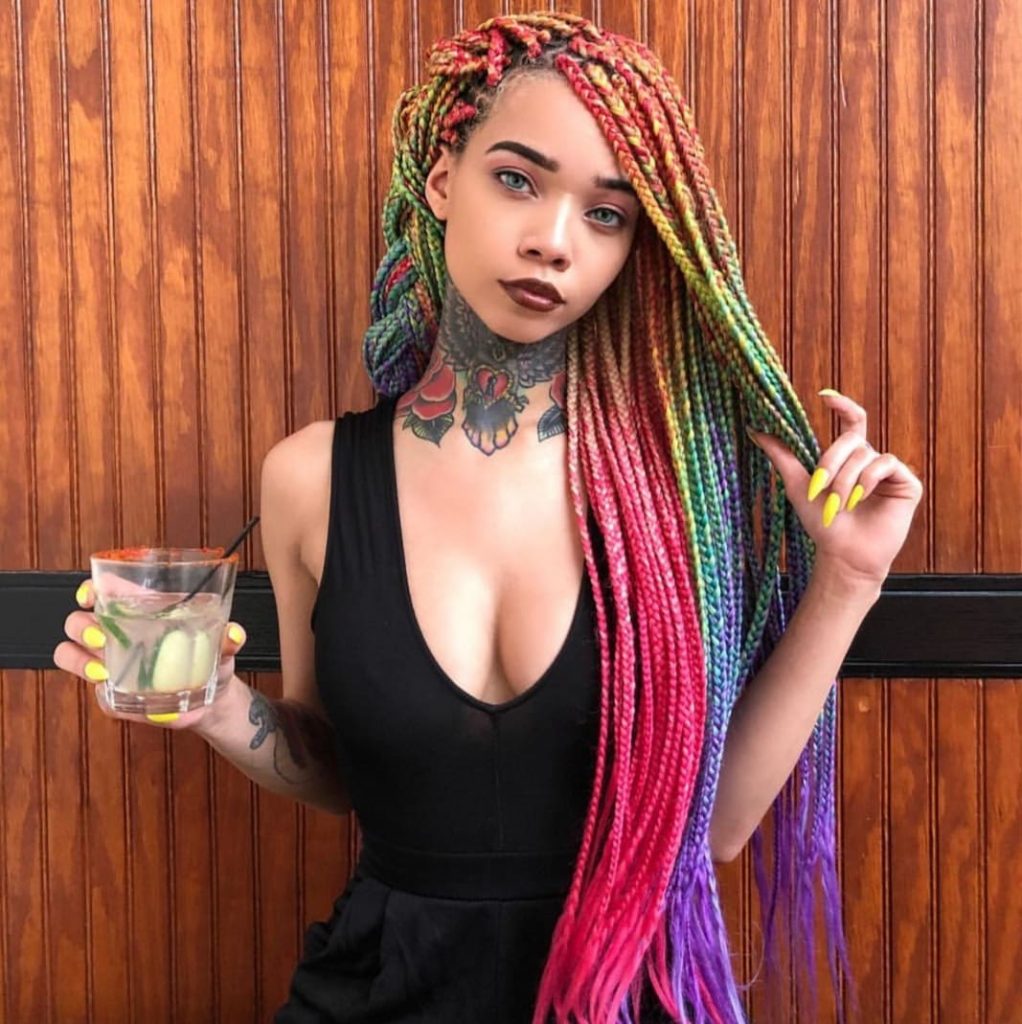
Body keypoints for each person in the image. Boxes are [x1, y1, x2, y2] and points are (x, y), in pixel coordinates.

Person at [54, 12, 922, 1024]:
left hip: (613, 995)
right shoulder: (310, 478)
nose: (553, 240)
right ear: (440, 181)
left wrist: (848, 578)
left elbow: (718, 824)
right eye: (517, 179)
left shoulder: (676, 489)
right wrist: (216, 708)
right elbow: (340, 767)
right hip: (379, 986)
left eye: (606, 214)